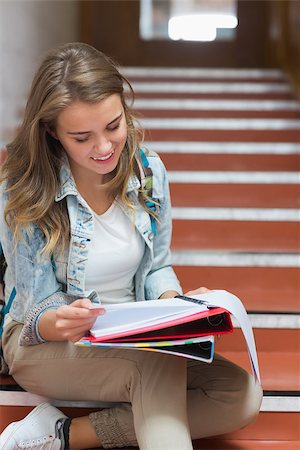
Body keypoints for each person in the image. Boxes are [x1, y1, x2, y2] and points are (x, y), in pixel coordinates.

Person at [0, 42, 262, 450]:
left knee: (241, 396)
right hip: (46, 346)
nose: (104, 147)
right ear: (52, 132)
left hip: (135, 339)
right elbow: (38, 310)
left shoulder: (149, 171)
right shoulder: (23, 190)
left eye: (113, 126)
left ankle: (65, 436)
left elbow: (157, 267)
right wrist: (62, 320)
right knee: (154, 365)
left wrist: (177, 309)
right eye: (82, 137)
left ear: (124, 109)